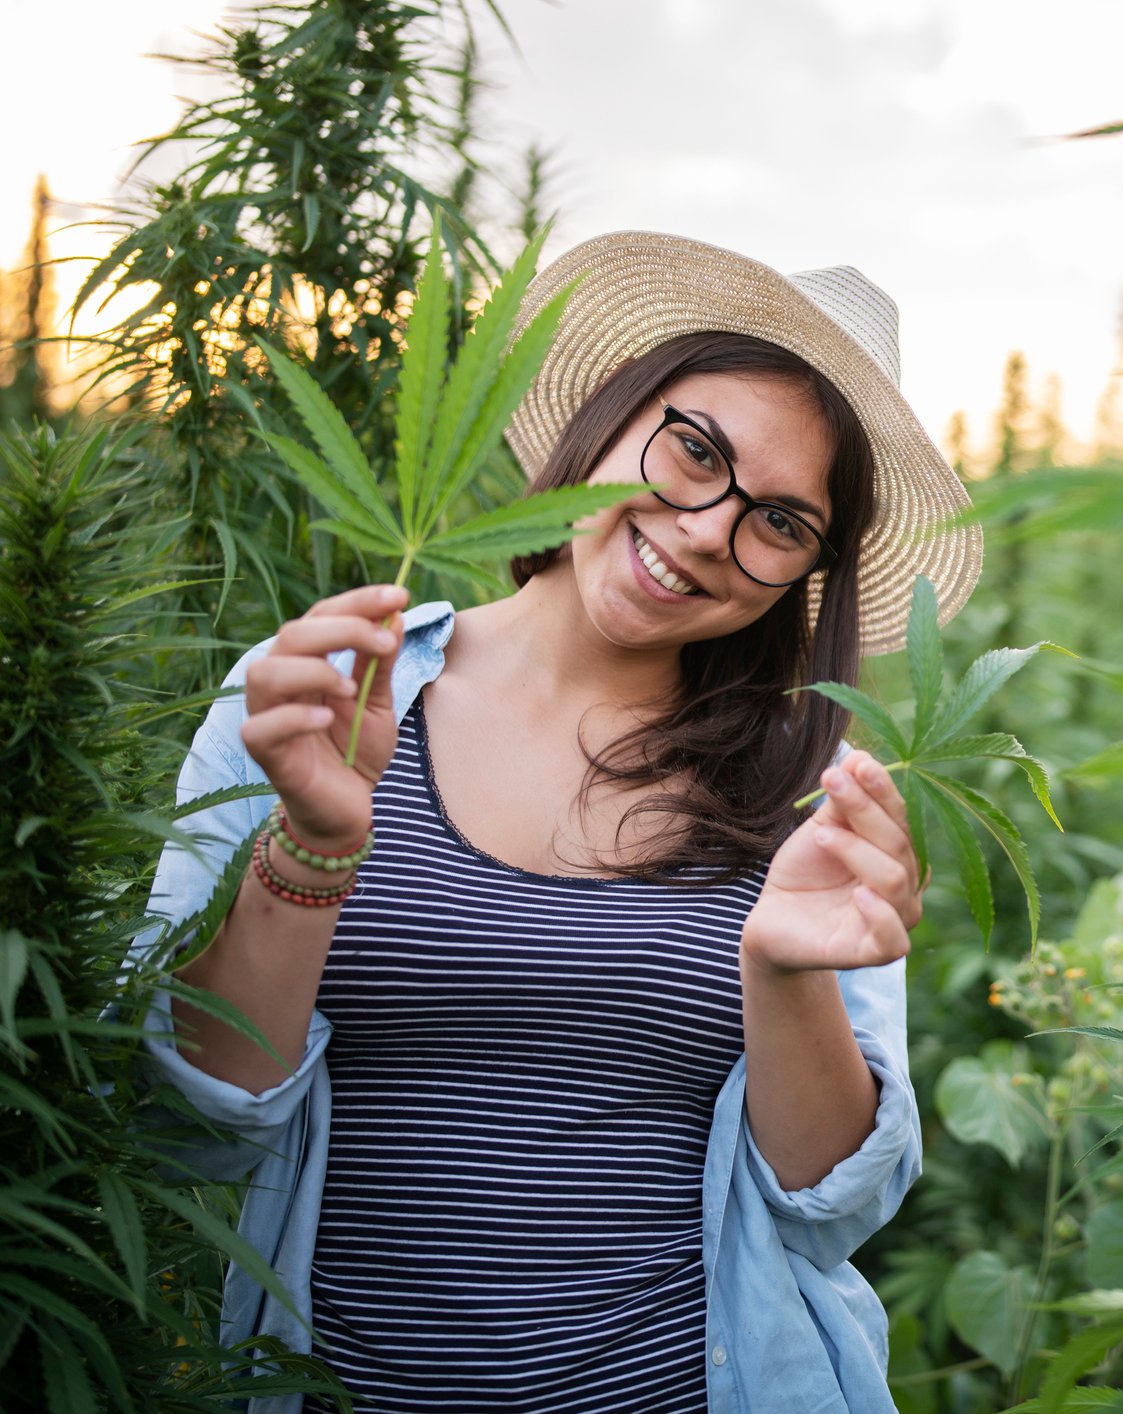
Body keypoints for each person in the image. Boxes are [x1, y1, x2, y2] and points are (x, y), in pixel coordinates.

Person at [136, 231, 982, 1413]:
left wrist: (783, 973)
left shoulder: (816, 783)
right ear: (613, 405)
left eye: (781, 522)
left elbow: (829, 1206)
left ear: (810, 572)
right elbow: (183, 1127)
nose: (704, 530)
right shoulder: (329, 691)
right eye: (695, 451)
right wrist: (313, 851)